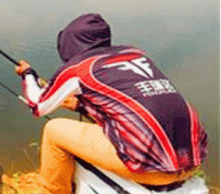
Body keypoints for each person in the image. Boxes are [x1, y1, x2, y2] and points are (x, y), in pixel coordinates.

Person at [15, 13, 207, 194]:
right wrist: (80, 106)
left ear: (69, 44)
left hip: (153, 170)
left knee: (53, 130)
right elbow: (131, 102)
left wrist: (28, 74)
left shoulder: (77, 68)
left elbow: (38, 105)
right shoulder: (137, 55)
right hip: (191, 162)